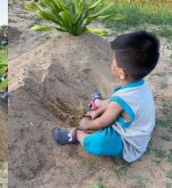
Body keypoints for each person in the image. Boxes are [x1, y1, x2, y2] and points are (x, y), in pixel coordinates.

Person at [54, 31, 160, 163]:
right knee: (115, 103)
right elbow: (117, 104)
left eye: (113, 61)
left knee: (99, 143)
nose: (111, 63)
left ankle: (77, 135)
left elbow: (102, 122)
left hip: (129, 142)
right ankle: (97, 103)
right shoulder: (141, 86)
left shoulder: (120, 99)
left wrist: (86, 124)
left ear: (121, 73)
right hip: (137, 126)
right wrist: (98, 110)